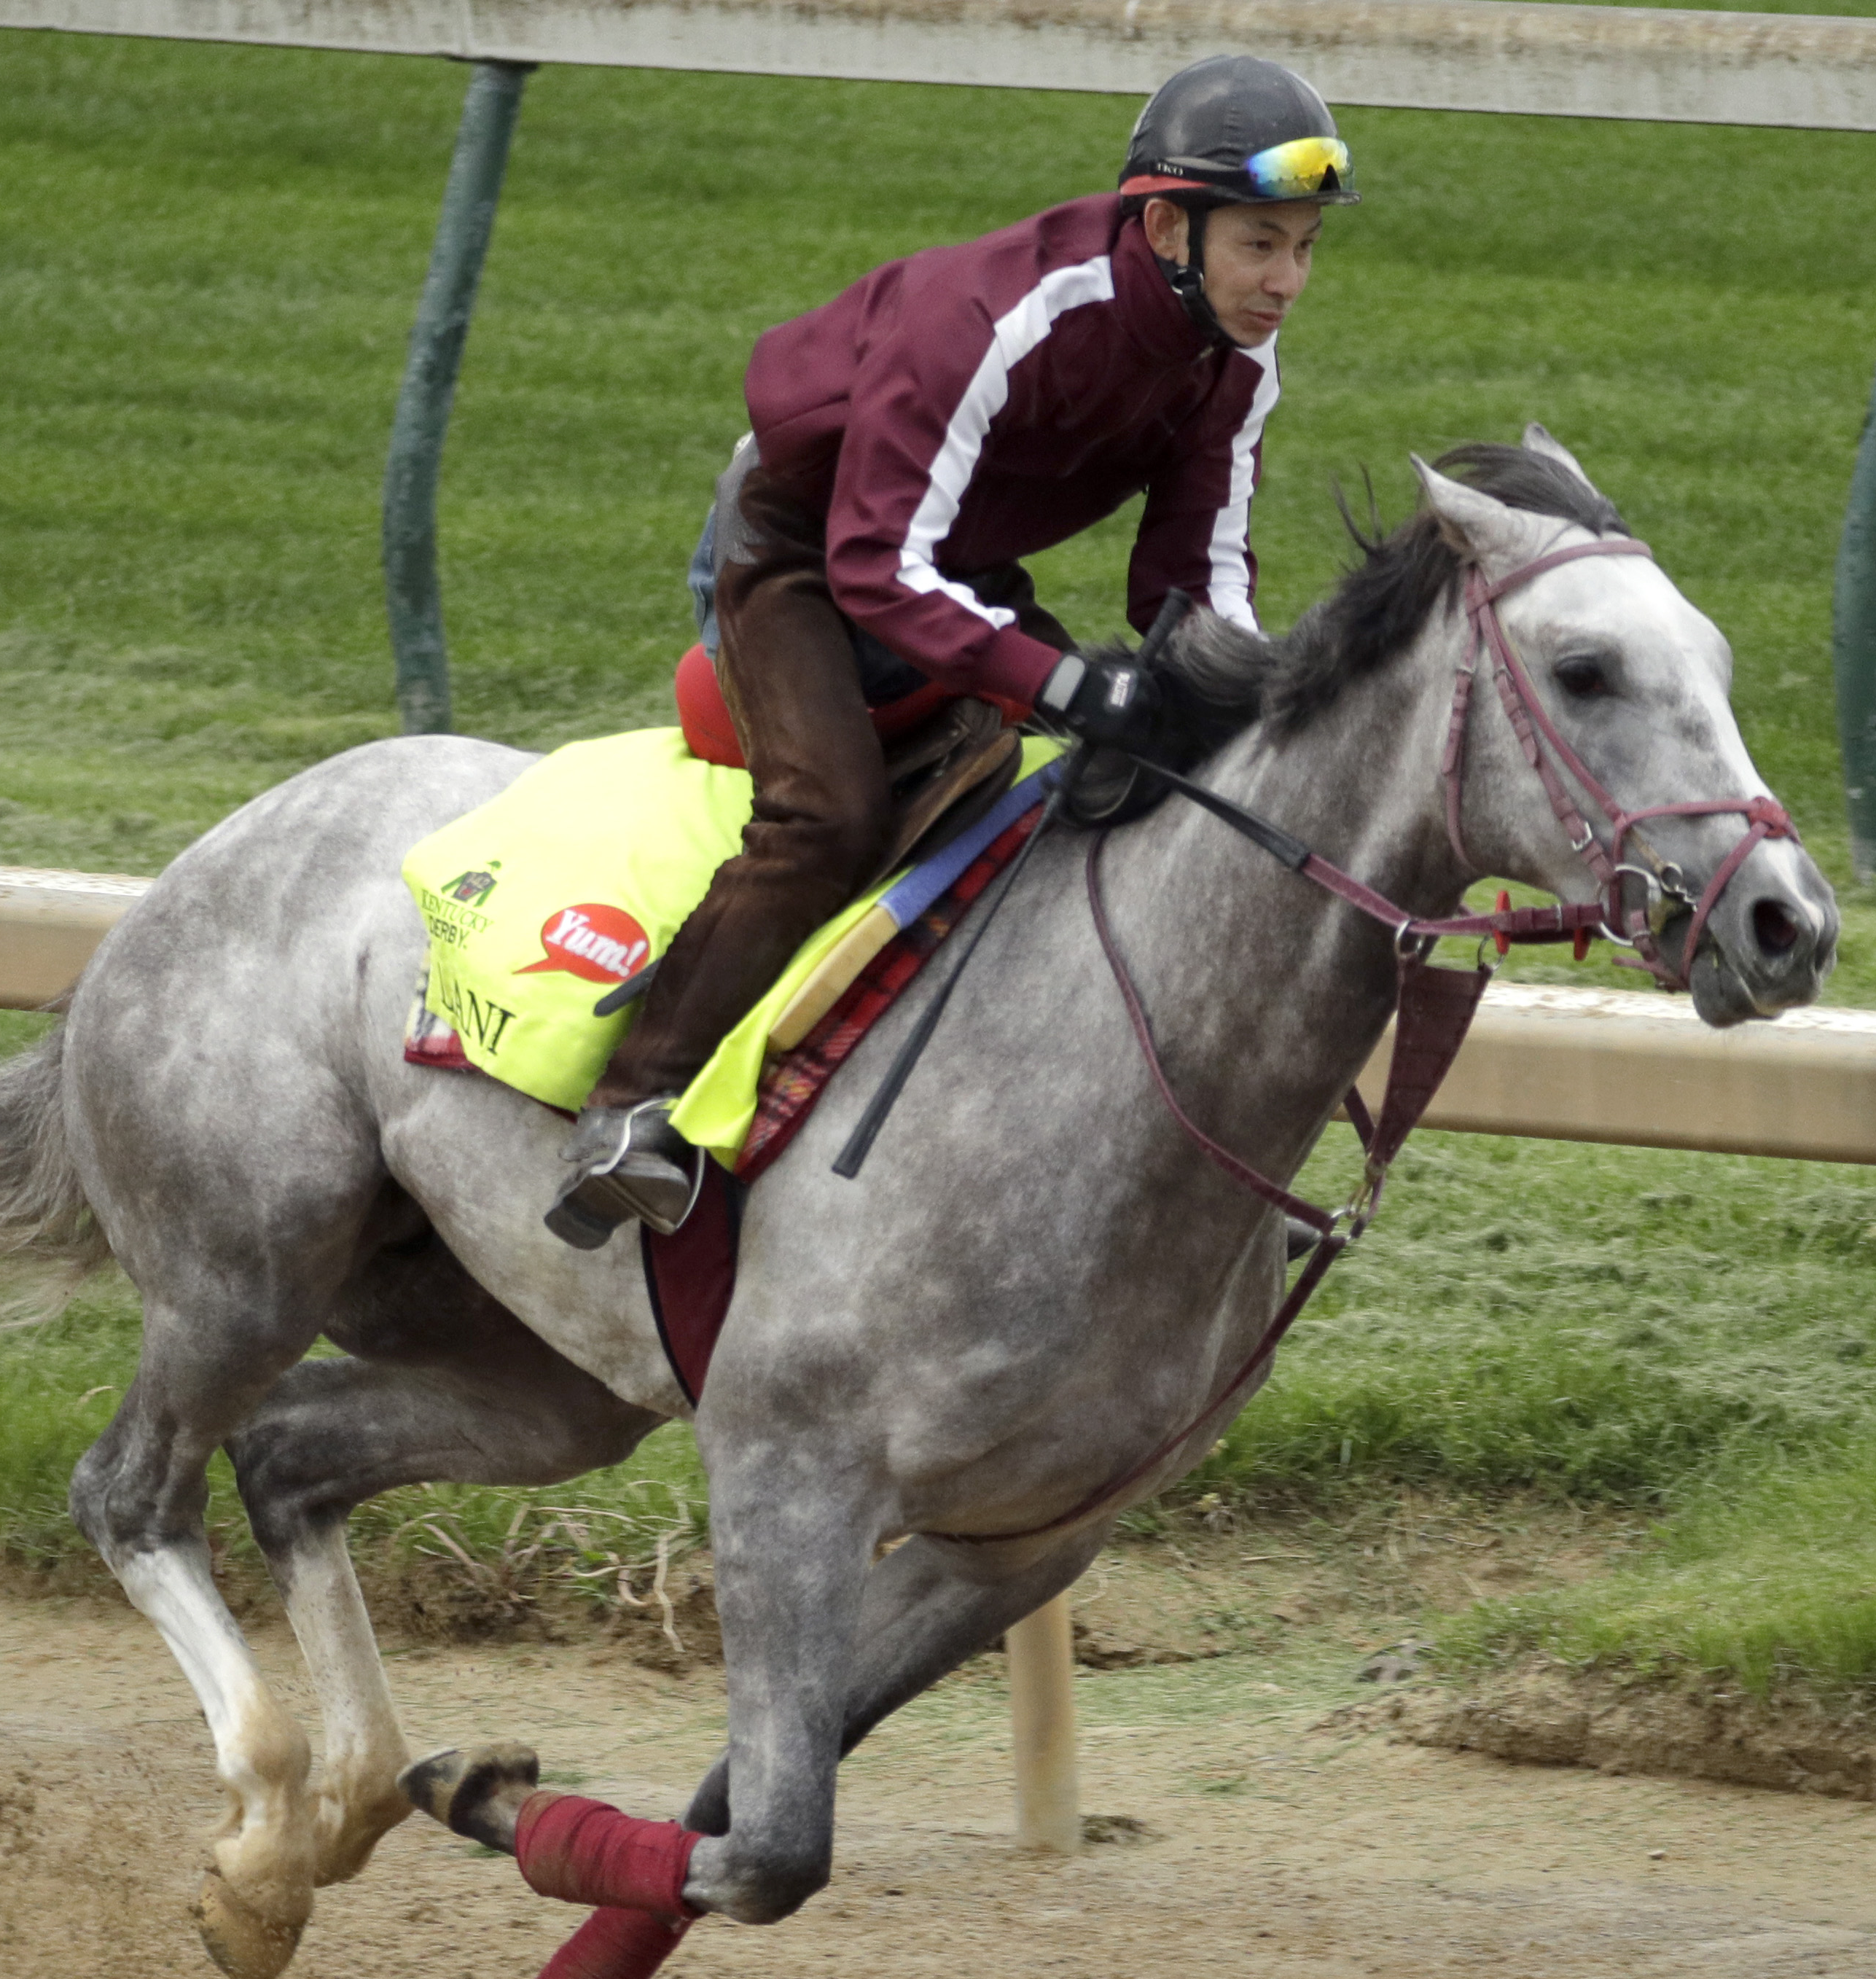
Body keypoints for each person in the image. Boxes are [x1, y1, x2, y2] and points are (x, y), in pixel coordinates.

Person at [545, 53, 1359, 1250]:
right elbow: (875, 568)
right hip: (800, 556)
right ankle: (625, 1113)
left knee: (1150, 779)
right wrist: (1071, 682)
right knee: (830, 817)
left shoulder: (1234, 354)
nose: (1287, 282)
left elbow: (1196, 578)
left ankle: (1171, 1174)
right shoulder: (999, 318)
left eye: (1304, 249)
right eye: (1261, 246)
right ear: (1168, 225)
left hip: (947, 566)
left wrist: (1263, 702)